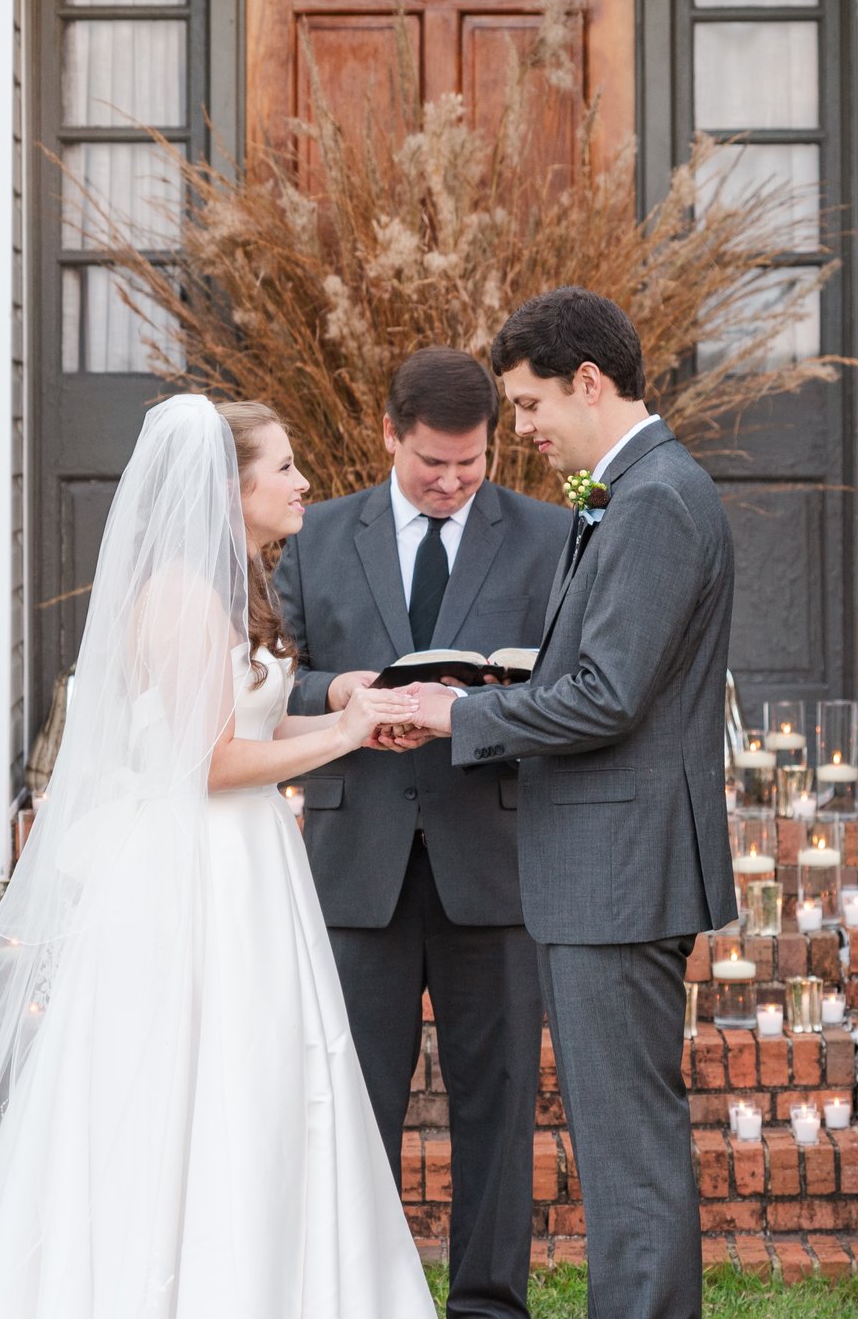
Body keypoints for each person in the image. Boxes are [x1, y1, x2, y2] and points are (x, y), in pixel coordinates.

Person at [0, 395, 435, 1319]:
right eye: (282, 467)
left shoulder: (232, 584)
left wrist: (351, 717)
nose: (302, 481)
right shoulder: (180, 598)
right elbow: (210, 763)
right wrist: (347, 735)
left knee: (256, 1081)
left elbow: (251, 720)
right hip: (193, 875)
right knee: (181, 1090)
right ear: (227, 488)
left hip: (244, 867)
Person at [410, 288, 737, 1319]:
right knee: (621, 1139)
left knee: (627, 1146)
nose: (524, 428)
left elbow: (607, 694)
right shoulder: (634, 491)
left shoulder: (652, 500)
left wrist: (458, 718)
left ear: (588, 382)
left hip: (618, 871)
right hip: (608, 866)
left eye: (527, 403)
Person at [273, 347, 572, 1319]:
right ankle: (352, 1296)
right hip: (355, 860)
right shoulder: (315, 537)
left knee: (497, 1108)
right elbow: (270, 671)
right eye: (430, 463)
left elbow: (573, 684)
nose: (450, 483)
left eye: (471, 464)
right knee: (353, 1108)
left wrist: (489, 700)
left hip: (494, 855)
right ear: (389, 434)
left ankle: (488, 1304)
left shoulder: (551, 534)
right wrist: (341, 692)